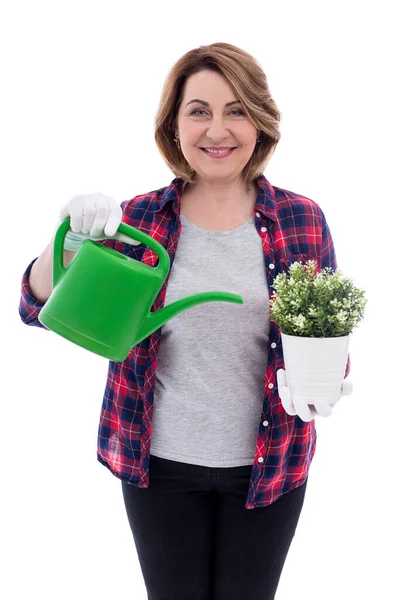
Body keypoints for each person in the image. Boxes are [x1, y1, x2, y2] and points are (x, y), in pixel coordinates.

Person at [19, 42, 351, 600]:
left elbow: (324, 335)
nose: (216, 129)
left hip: (270, 467)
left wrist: (328, 382)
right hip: (159, 466)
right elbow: (37, 309)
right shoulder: (140, 219)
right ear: (174, 125)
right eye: (198, 110)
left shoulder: (301, 218)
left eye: (236, 109)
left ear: (260, 121)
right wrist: (69, 244)